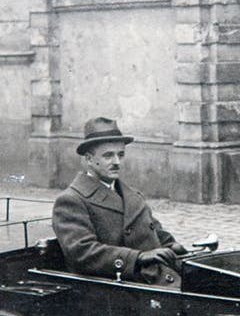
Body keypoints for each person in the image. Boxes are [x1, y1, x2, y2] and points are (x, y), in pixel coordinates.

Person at [52, 117, 188, 285]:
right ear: (88, 159)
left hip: (156, 277)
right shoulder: (71, 200)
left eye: (120, 155)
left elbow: (155, 232)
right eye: (108, 155)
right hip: (119, 286)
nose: (116, 162)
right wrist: (137, 257)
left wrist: (172, 246)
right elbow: (83, 253)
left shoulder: (132, 195)